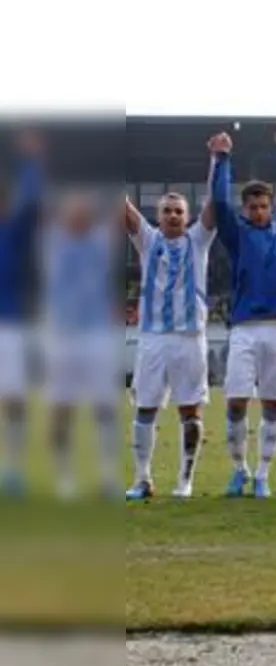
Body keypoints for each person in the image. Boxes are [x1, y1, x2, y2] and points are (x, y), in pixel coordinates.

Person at [212, 128, 276, 499]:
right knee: (235, 401)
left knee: (272, 404)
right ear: (245, 208)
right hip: (245, 328)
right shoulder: (236, 234)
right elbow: (219, 203)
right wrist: (222, 160)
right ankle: (239, 470)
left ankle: (263, 474)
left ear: (271, 205)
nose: (258, 211)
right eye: (251, 206)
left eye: (264, 205)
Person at [123, 148, 219, 501]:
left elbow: (214, 204)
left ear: (187, 217)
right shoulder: (147, 241)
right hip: (152, 338)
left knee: (190, 409)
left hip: (190, 338)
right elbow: (123, 210)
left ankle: (185, 478)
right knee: (144, 407)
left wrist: (216, 160)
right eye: (167, 211)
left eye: (179, 211)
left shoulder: (198, 241)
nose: (174, 216)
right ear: (158, 216)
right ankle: (143, 478)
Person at [40, 188, 124, 499]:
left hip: (96, 336)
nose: (79, 216)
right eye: (73, 211)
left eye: (84, 211)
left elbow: (118, 216)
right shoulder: (52, 242)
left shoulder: (100, 241)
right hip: (62, 336)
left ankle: (107, 476)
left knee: (104, 407)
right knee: (62, 408)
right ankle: (65, 479)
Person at [0, 131, 41, 497]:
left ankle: (12, 471)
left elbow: (31, 202)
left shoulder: (12, 230)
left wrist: (32, 161)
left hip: (7, 325)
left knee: (12, 399)